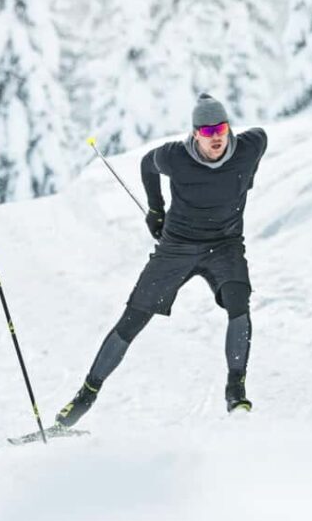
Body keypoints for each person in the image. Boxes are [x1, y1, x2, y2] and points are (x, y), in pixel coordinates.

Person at [56, 93, 267, 427]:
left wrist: (246, 179)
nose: (216, 137)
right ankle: (85, 396)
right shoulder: (175, 157)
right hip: (177, 247)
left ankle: (236, 391)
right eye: (208, 131)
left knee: (238, 302)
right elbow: (146, 165)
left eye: (221, 129)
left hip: (225, 244)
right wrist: (156, 210)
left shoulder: (249, 147)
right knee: (134, 317)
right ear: (196, 133)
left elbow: (261, 138)